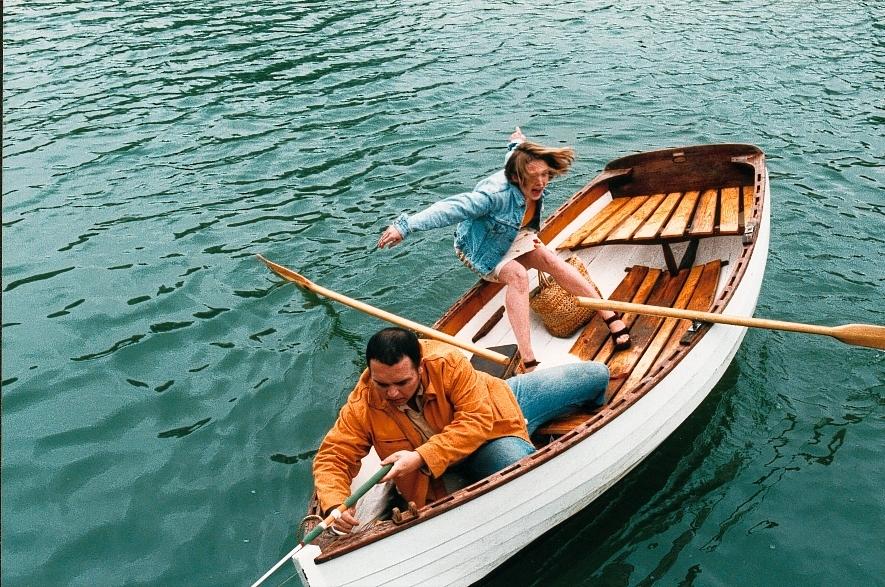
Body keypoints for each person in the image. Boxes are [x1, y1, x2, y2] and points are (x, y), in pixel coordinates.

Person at [377, 127, 630, 371]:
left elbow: (516, 152)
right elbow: (449, 209)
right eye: (533, 178)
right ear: (515, 177)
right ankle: (528, 359)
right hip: (483, 249)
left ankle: (609, 315)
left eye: (544, 174)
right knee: (518, 276)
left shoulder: (523, 164)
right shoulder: (492, 195)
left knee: (550, 260)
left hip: (515, 233)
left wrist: (515, 141)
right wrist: (405, 226)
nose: (541, 182)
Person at [312, 327, 609, 534]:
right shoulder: (363, 400)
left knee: (597, 375)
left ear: (420, 366)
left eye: (401, 383)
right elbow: (333, 456)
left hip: (495, 417)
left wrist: (418, 457)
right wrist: (334, 505)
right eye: (383, 384)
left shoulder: (447, 362)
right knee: (516, 467)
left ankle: (553, 421)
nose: (391, 393)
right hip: (457, 461)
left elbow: (477, 420)